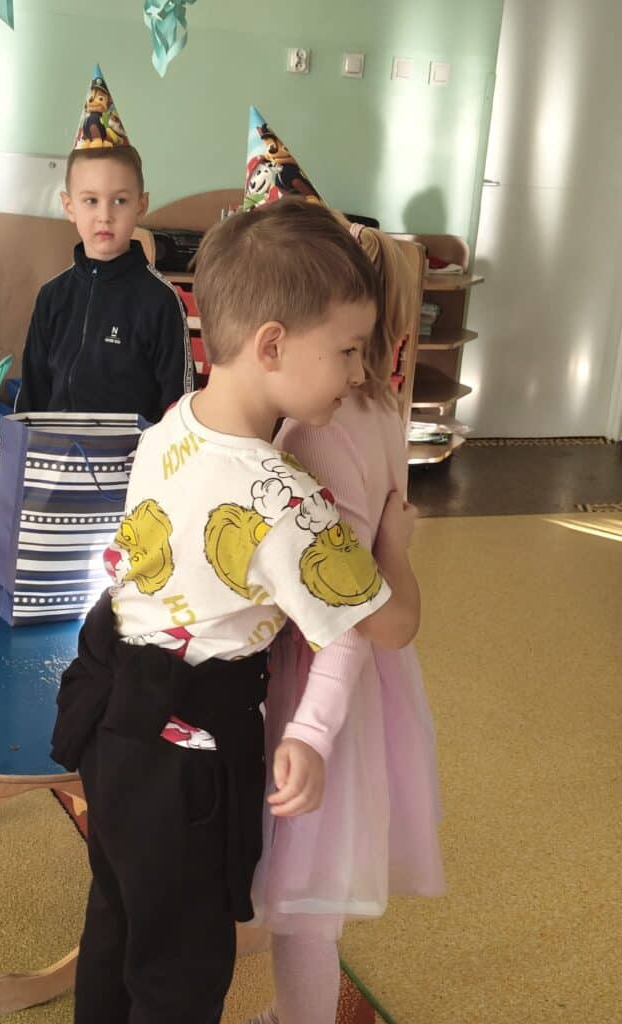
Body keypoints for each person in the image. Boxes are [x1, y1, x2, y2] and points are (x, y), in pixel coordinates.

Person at [50, 199, 422, 1024]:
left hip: (108, 719)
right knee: (181, 968)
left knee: (117, 922)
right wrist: (393, 544)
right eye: (348, 351)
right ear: (273, 345)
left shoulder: (167, 427)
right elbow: (390, 627)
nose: (358, 374)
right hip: (190, 749)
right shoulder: (285, 499)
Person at [247, 225, 446, 1024]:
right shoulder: (383, 408)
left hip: (321, 672)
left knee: (303, 887)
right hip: (360, 674)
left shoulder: (318, 430)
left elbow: (365, 616)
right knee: (311, 881)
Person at [16, 66, 193, 419]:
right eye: (90, 200)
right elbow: (33, 390)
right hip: (57, 450)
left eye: (120, 200)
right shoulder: (52, 297)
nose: (105, 215)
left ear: (141, 205)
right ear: (69, 206)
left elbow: (178, 404)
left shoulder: (161, 301)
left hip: (132, 454)